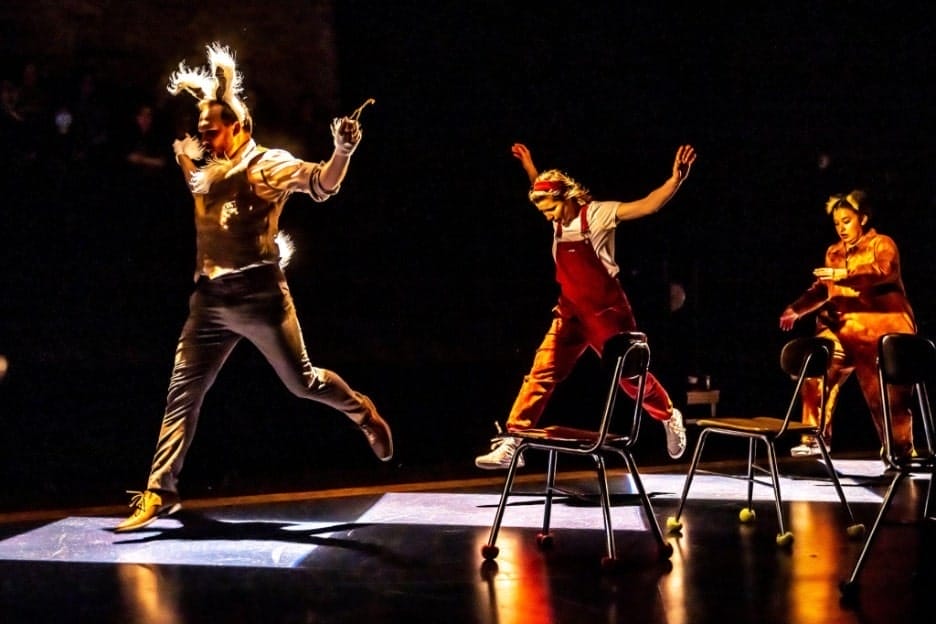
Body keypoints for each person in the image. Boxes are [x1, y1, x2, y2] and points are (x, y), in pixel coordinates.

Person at [116, 43, 392, 532]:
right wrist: (185, 142)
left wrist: (342, 152)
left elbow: (321, 184)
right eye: (201, 129)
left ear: (239, 127)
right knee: (183, 391)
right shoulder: (204, 164)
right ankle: (161, 489)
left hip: (259, 297)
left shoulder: (266, 165)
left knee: (303, 383)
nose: (203, 137)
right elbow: (194, 166)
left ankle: (363, 413)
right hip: (208, 302)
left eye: (212, 129)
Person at [475, 143, 697, 469]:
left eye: (550, 209)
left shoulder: (596, 215)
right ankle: (515, 441)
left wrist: (675, 180)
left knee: (631, 379)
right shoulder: (556, 215)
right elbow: (542, 188)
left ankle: (667, 415)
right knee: (542, 371)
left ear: (566, 197)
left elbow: (646, 206)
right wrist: (530, 167)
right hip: (570, 311)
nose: (548, 217)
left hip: (607, 313)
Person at [779, 190, 916, 462]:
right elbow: (823, 289)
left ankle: (899, 451)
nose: (841, 228)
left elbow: (884, 271)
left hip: (877, 331)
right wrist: (796, 309)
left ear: (862, 219)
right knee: (816, 368)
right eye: (837, 223)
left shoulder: (881, 244)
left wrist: (843, 274)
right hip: (841, 328)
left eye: (846, 221)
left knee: (884, 397)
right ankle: (814, 437)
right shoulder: (834, 252)